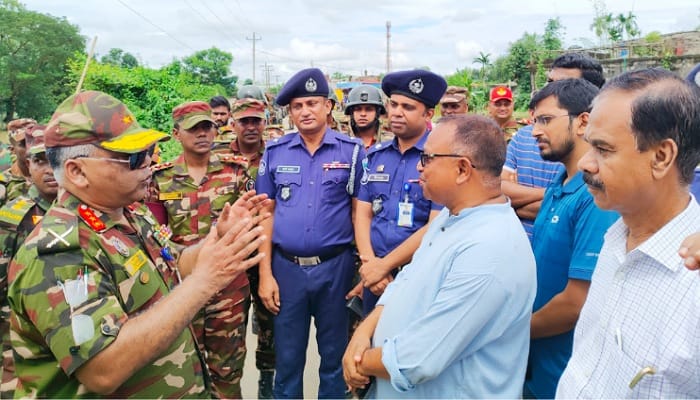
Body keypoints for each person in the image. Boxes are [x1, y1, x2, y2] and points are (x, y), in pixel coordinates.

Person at [7, 90, 268, 398]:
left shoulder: (130, 212)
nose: (148, 163)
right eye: (132, 157)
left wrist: (216, 241)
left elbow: (172, 264)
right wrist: (205, 281)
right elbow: (103, 369)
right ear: (77, 172)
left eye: (149, 151)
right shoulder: (59, 254)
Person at [343, 115, 537, 398]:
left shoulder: (489, 249)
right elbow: (403, 283)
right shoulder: (452, 216)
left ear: (461, 169)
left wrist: (359, 360)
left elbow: (417, 360)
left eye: (428, 158)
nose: (420, 167)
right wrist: (362, 334)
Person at [556, 68, 700, 398]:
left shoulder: (693, 280)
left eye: (603, 150)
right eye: (588, 146)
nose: (585, 165)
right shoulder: (615, 237)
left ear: (661, 157)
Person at [255, 67, 365, 399]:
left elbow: (362, 212)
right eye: (298, 105)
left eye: (313, 103)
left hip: (336, 268)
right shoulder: (275, 152)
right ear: (290, 111)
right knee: (288, 360)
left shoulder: (353, 151)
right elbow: (265, 213)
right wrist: (264, 274)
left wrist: (363, 267)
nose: (306, 111)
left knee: (334, 357)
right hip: (286, 269)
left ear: (329, 106)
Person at [149, 100, 251, 398]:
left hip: (228, 291)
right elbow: (156, 237)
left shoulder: (235, 173)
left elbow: (250, 224)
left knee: (228, 370)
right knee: (184, 369)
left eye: (207, 127)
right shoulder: (161, 178)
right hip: (183, 290)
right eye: (194, 129)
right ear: (176, 133)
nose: (203, 134)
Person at [524, 79, 619, 399]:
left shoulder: (595, 196)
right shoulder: (560, 182)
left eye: (546, 120)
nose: (535, 130)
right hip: (538, 364)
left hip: (565, 374)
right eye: (535, 120)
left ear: (583, 121)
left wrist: (510, 335)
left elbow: (577, 302)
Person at [353, 70, 445, 316]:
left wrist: (384, 266)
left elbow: (436, 225)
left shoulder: (439, 157)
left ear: (428, 114)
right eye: (393, 104)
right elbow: (362, 214)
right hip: (374, 273)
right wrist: (370, 263)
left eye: (408, 107)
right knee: (373, 346)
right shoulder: (376, 155)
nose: (396, 112)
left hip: (418, 272)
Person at [502, 52, 605, 240]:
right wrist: (554, 194)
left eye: (563, 86)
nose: (550, 90)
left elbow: (586, 204)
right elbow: (497, 193)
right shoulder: (525, 136)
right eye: (549, 82)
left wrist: (516, 202)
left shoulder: (598, 156)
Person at [0, 125, 57, 398]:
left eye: (55, 159)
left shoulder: (90, 211)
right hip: (22, 335)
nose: (49, 169)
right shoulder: (13, 218)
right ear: (28, 165)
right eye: (40, 161)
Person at [229, 97, 275, 398]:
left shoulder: (277, 154)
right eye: (244, 121)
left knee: (271, 329)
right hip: (232, 259)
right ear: (233, 124)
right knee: (228, 333)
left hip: (267, 256)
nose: (250, 127)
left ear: (264, 123)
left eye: (256, 120)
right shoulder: (217, 155)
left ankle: (266, 386)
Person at [344, 84, 392, 149]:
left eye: (369, 109)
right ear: (352, 112)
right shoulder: (341, 141)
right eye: (358, 109)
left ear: (377, 112)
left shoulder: (390, 141)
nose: (363, 114)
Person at [0, 119, 35, 205]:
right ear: (12, 150)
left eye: (36, 141)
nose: (32, 147)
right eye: (24, 144)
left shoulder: (55, 175)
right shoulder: (4, 183)